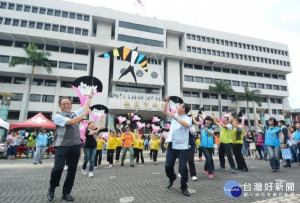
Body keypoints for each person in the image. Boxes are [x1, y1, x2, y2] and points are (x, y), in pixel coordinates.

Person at [47, 95, 92, 202]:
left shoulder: (74, 113)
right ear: (60, 106)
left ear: (71, 105)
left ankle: (66, 193)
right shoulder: (58, 116)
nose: (66, 105)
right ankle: (52, 188)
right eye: (64, 104)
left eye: (68, 103)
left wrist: (90, 95)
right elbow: (72, 122)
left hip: (75, 146)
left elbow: (86, 105)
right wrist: (85, 113)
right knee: (58, 168)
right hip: (62, 146)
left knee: (72, 171)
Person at [163, 95, 192, 197]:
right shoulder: (175, 114)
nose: (178, 106)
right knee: (168, 166)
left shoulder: (188, 118)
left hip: (183, 147)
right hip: (171, 145)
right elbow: (165, 112)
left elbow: (186, 125)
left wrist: (175, 117)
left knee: (183, 168)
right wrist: (166, 101)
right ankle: (172, 177)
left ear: (183, 109)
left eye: (180, 106)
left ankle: (184, 186)